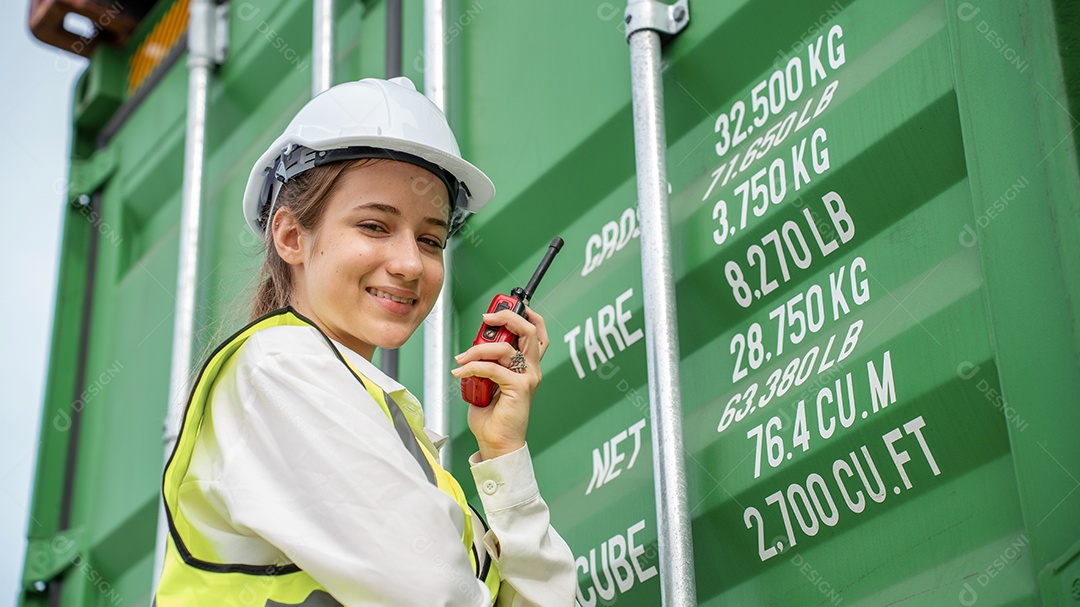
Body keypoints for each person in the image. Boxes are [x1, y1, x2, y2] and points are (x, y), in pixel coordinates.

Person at [154, 77, 576, 606]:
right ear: (291, 236)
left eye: (429, 240)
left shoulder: (383, 427)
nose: (408, 264)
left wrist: (502, 452)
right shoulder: (279, 368)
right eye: (375, 226)